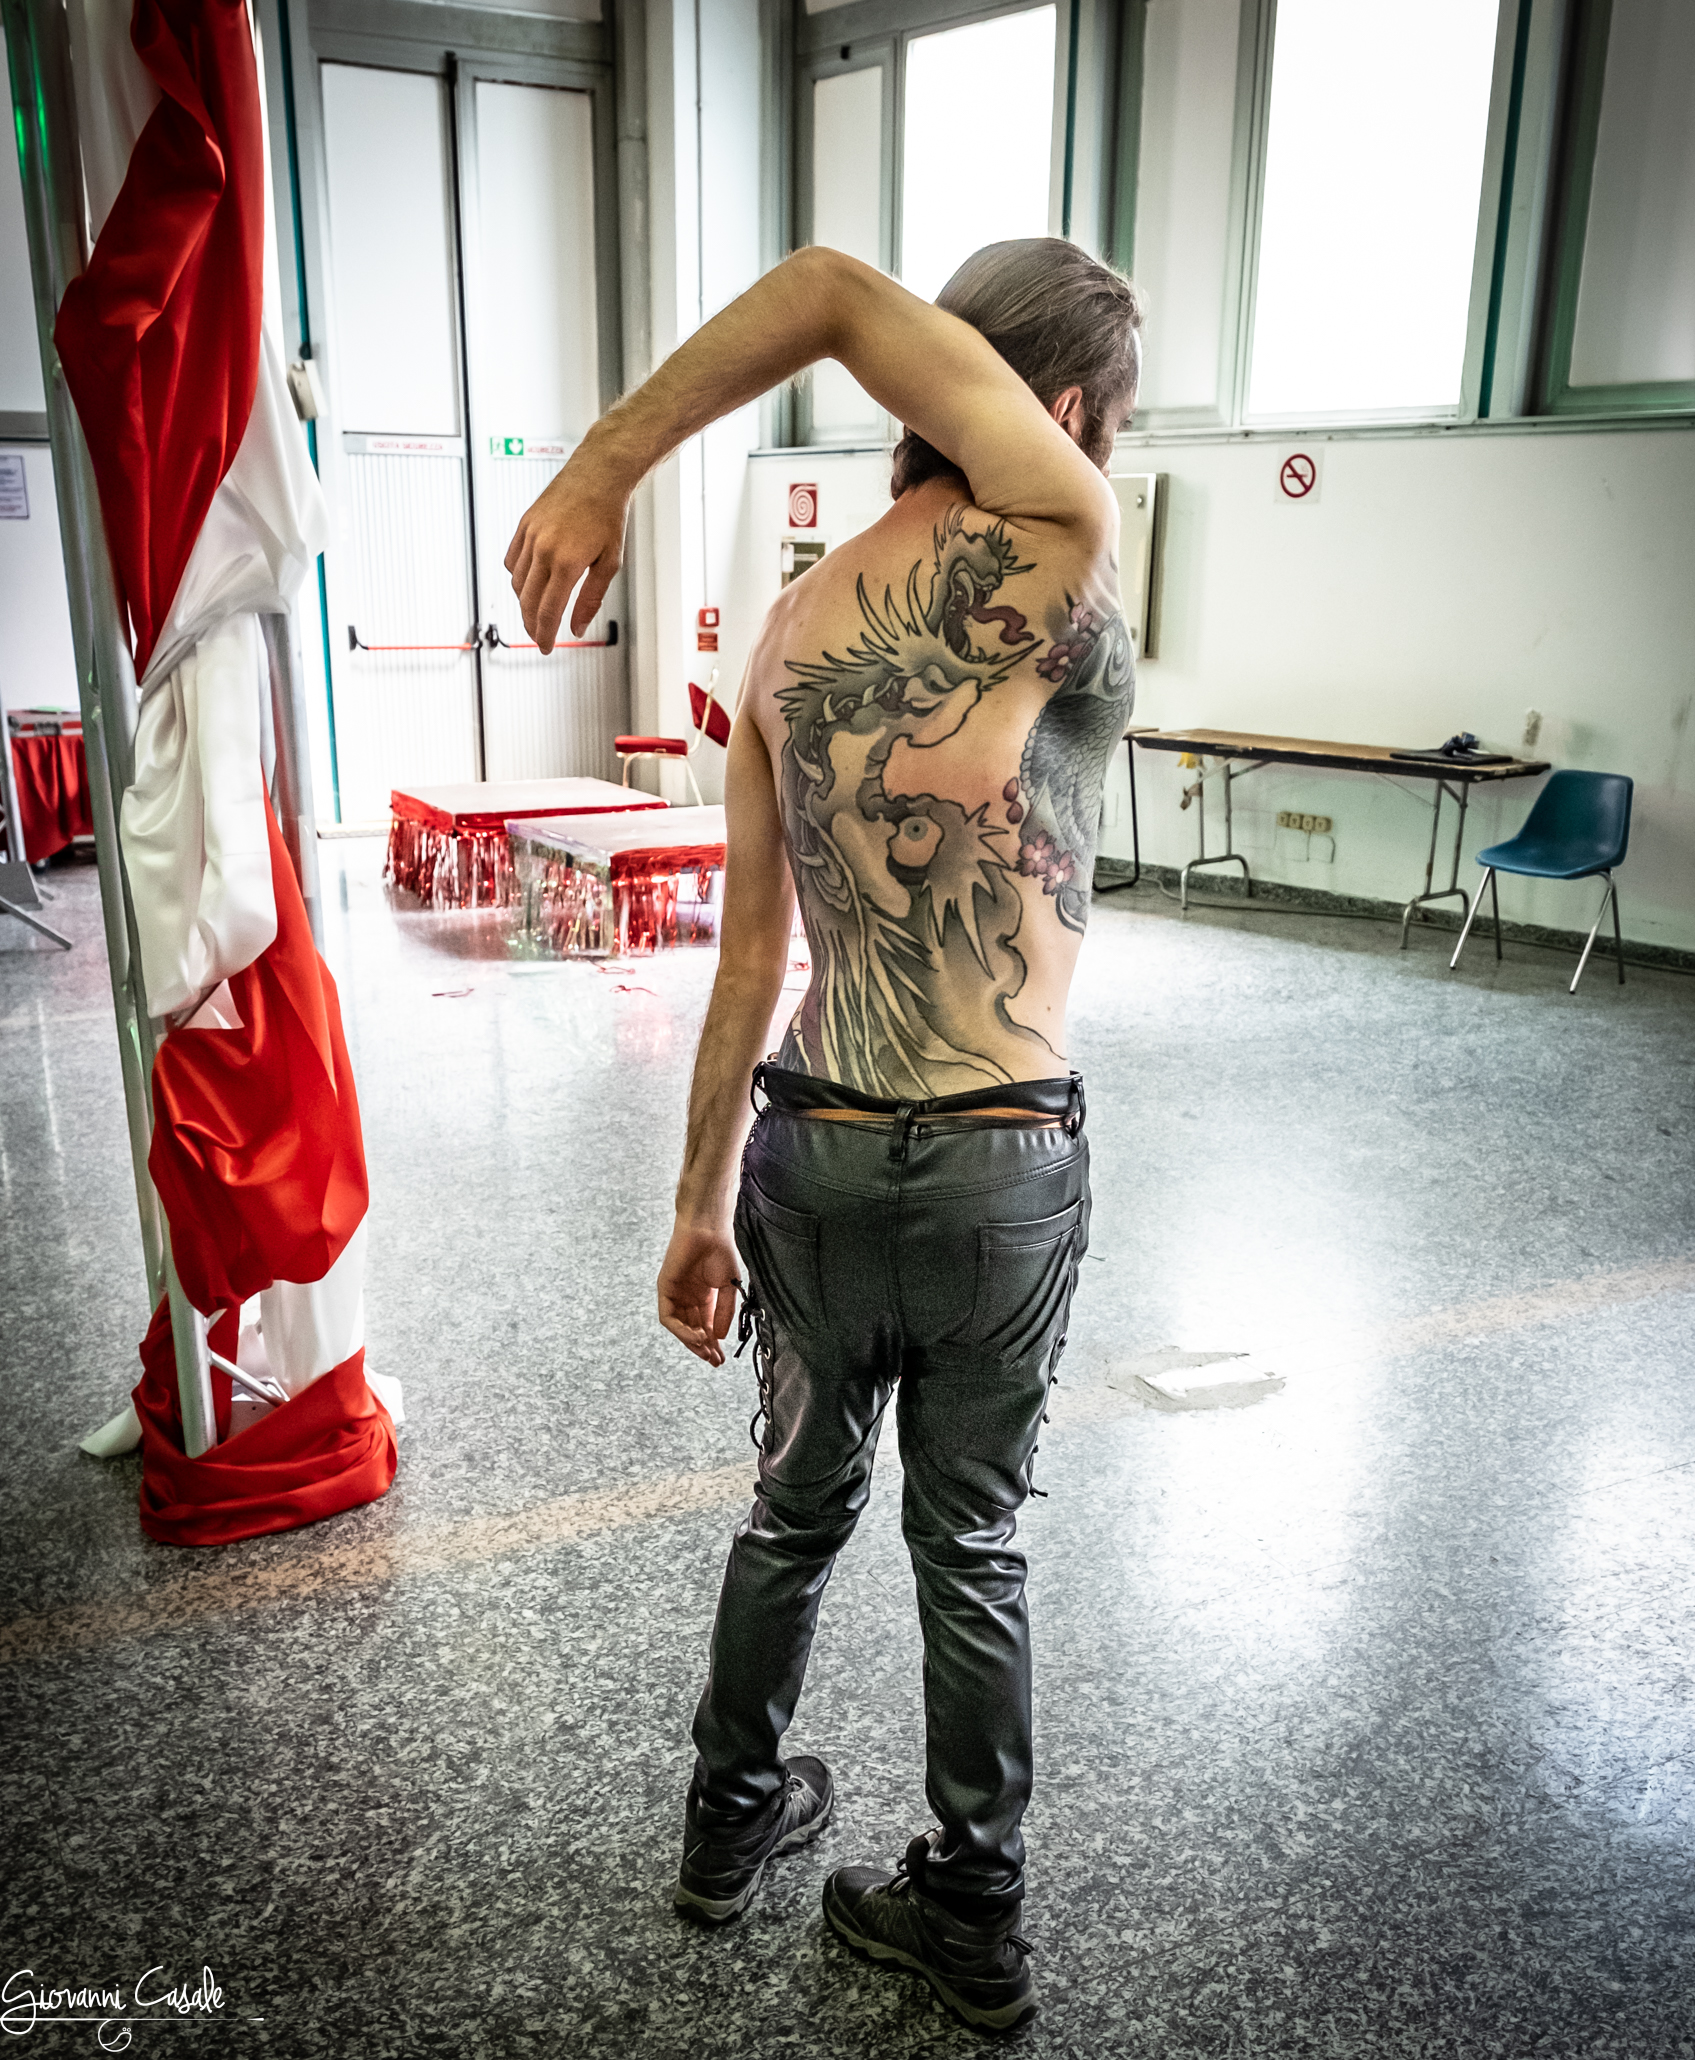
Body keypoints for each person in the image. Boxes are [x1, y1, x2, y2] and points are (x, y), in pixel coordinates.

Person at [506, 237, 1140, 2033]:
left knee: (793, 1510)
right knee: (974, 1542)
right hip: (1001, 1148)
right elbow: (832, 287)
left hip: (814, 1141)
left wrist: (695, 1206)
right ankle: (973, 1908)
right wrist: (600, 466)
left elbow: (748, 959)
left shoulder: (793, 629)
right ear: (1063, 406)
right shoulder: (1067, 528)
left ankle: (728, 1823)